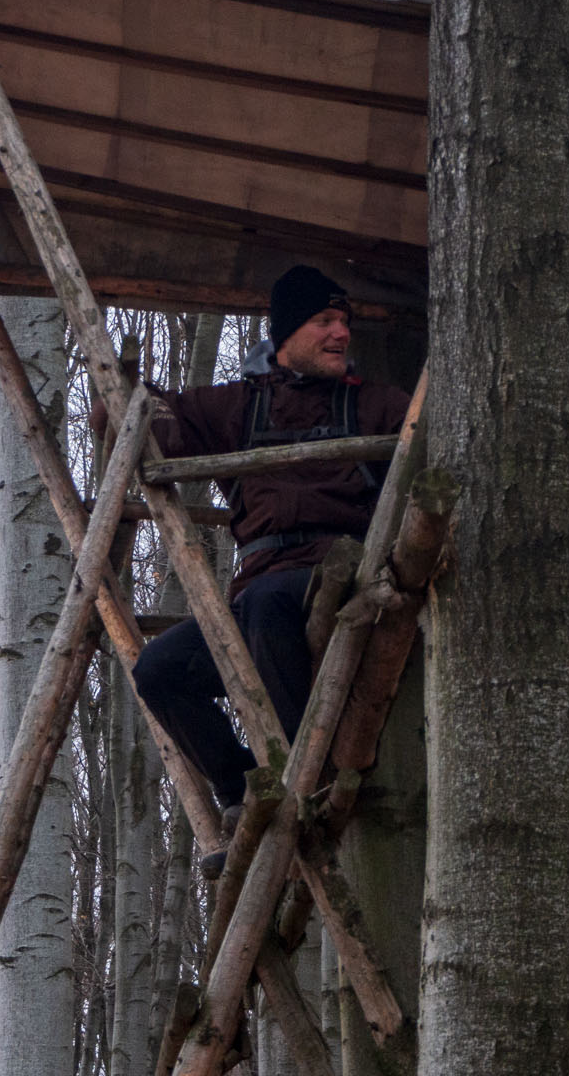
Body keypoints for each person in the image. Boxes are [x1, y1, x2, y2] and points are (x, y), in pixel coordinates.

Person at [129, 265, 411, 836]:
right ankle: (240, 786)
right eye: (324, 321)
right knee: (159, 670)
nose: (341, 334)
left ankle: (298, 779)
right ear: (285, 336)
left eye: (345, 322)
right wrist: (123, 393)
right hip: (256, 589)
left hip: (331, 576)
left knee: (268, 603)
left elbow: (429, 441)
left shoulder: (374, 405)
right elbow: (165, 424)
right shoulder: (240, 407)